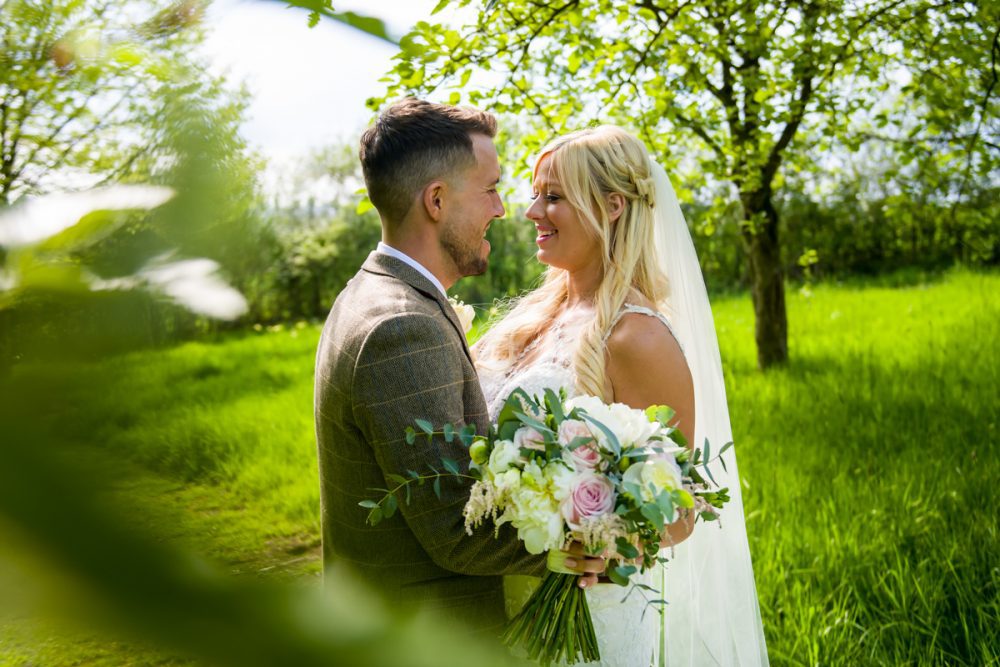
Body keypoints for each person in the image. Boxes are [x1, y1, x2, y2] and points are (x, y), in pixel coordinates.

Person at [475, 126, 769, 665]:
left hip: (587, 614)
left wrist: (613, 542)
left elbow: (680, 508)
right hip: (504, 593)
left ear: (612, 205)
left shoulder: (638, 336)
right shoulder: (536, 317)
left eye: (554, 196)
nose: (532, 211)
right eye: (536, 194)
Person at [313, 99, 603, 637]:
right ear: (437, 200)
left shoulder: (372, 295)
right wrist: (589, 538)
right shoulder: (402, 327)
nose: (502, 208)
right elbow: (454, 526)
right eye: (491, 188)